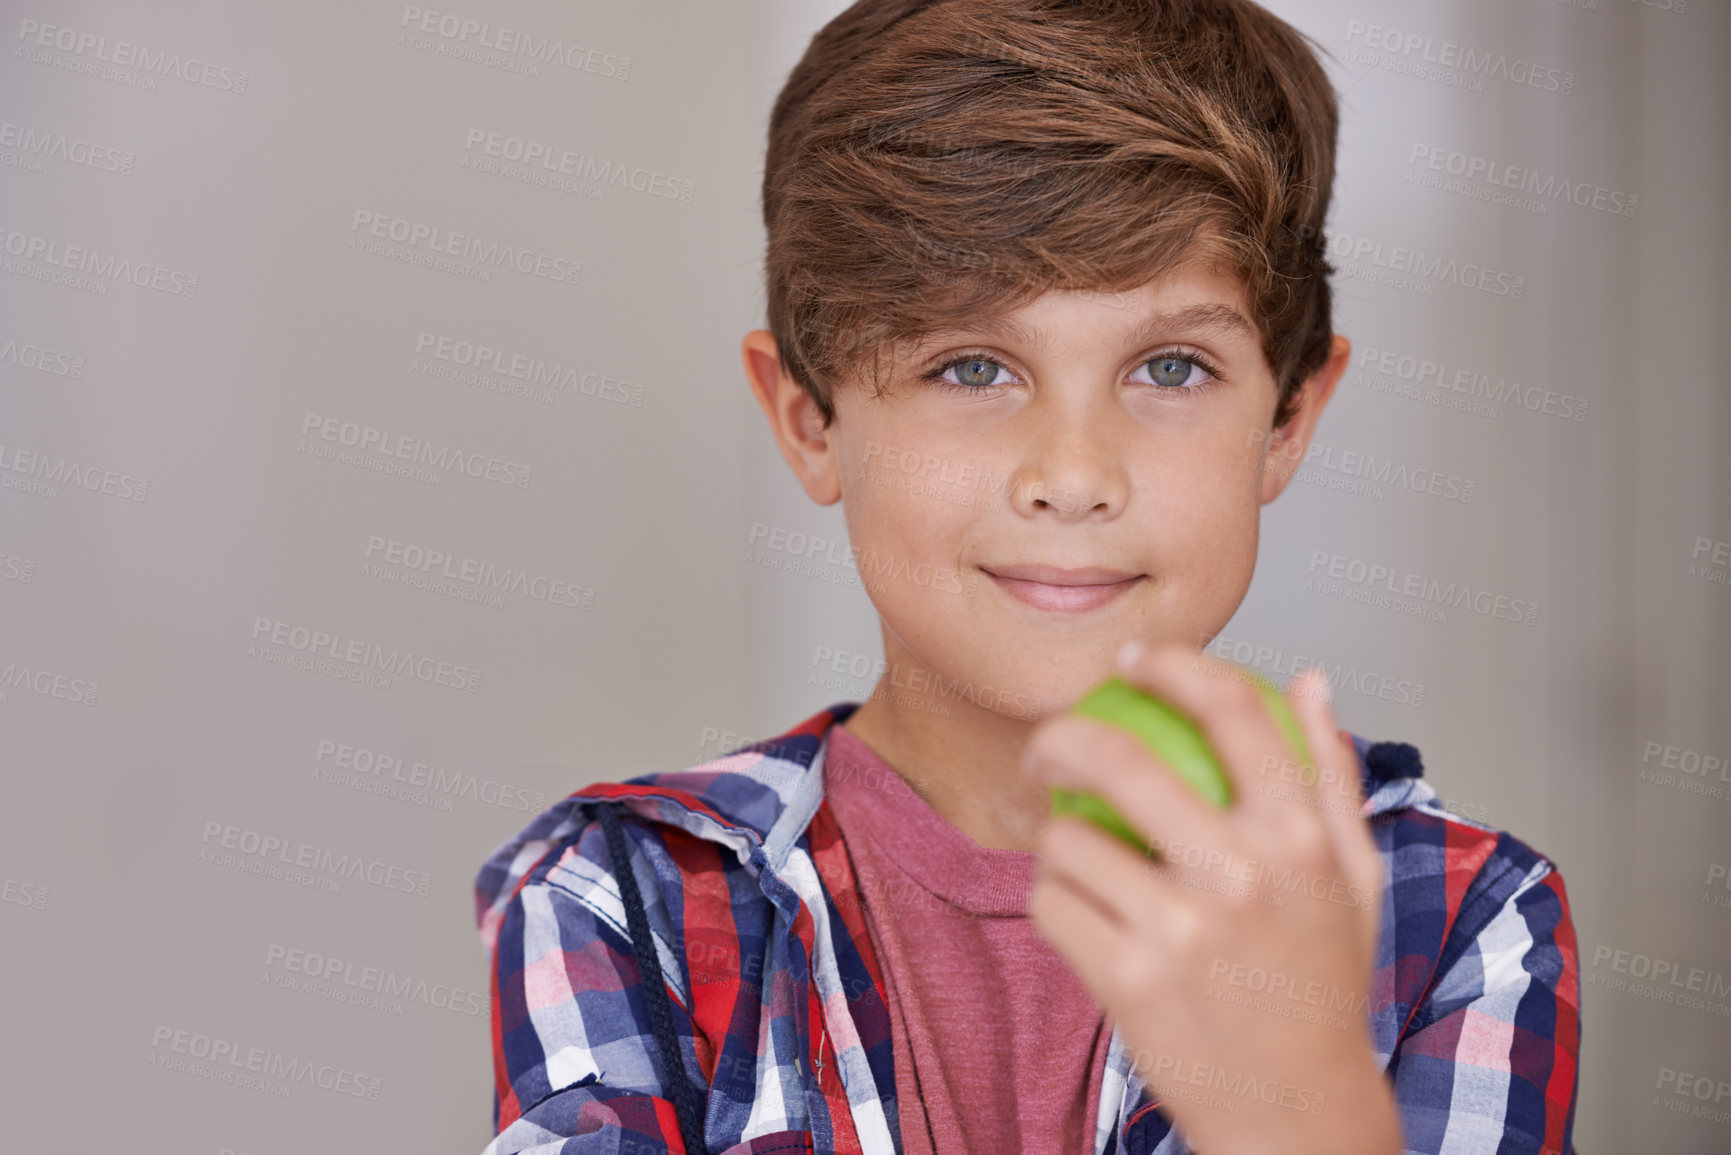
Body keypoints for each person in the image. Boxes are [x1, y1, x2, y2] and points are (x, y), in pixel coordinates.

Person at [471, 1, 1581, 1151]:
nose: (1073, 473)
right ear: (810, 420)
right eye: (969, 366)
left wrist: (1300, 1102)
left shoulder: (1462, 917)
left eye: (1169, 365)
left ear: (1290, 418)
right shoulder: (624, 896)